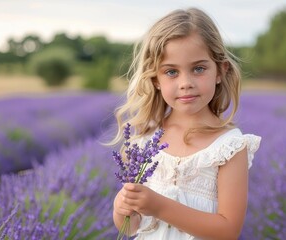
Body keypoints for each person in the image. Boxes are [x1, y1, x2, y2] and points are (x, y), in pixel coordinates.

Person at [110, 7, 261, 240]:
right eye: (171, 72)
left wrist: (158, 206)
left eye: (198, 68)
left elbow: (228, 230)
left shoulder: (229, 147)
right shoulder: (144, 142)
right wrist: (122, 209)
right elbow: (131, 228)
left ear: (221, 71)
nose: (185, 83)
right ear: (155, 80)